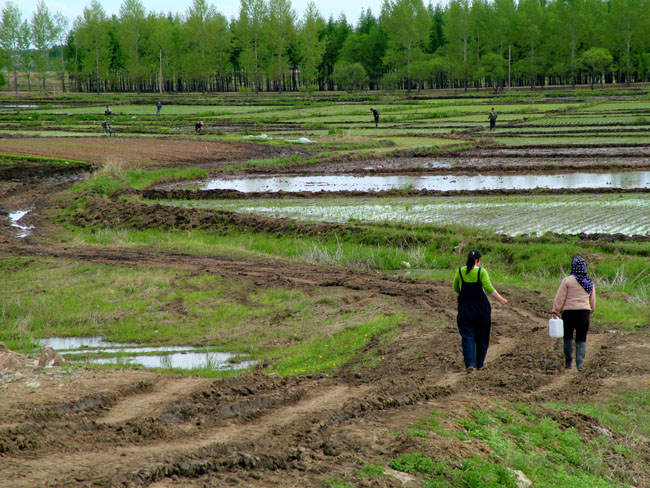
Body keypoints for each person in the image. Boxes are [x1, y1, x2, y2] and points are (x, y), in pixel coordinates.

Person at [453, 250, 508, 372]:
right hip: (481, 311)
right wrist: (501, 299)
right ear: (478, 260)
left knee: (467, 337)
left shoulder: (460, 272)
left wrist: (466, 296)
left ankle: (470, 365)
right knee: (482, 338)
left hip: (465, 310)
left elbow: (456, 288)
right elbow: (488, 287)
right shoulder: (481, 272)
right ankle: (480, 364)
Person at [552, 256, 596, 371]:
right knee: (581, 338)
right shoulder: (589, 282)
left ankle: (568, 363)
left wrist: (556, 310)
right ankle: (580, 364)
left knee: (568, 337)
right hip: (584, 314)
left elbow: (560, 297)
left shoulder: (567, 280)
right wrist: (592, 310)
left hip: (569, 314)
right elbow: (593, 300)